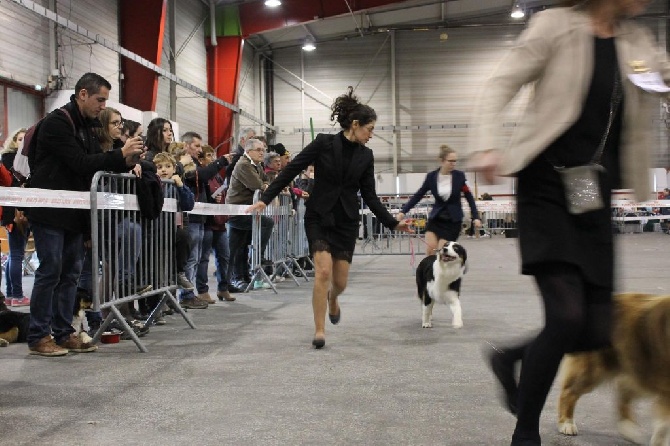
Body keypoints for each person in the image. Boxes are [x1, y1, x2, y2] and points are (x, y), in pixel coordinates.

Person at [467, 2, 670, 445]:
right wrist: (485, 144)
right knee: (565, 316)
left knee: (597, 329)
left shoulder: (639, 41)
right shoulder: (555, 25)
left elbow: (662, 83)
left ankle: (510, 357)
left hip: (592, 193)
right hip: (545, 184)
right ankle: (525, 431)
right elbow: (501, 83)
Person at [246, 87, 413, 349]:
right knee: (322, 271)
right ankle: (319, 330)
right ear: (355, 125)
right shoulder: (324, 143)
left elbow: (369, 195)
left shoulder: (366, 156)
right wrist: (265, 199)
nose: (371, 135)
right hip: (319, 215)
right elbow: (292, 168)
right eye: (369, 129)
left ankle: (333, 299)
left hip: (346, 220)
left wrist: (392, 222)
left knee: (340, 282)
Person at [24, 72, 144, 357]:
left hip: (74, 213)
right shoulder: (56, 123)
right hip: (50, 211)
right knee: (50, 271)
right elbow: (80, 163)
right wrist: (120, 155)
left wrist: (128, 161)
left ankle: (63, 333)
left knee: (71, 275)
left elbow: (93, 164)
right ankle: (39, 336)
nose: (103, 106)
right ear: (82, 94)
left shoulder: (88, 127)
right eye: (100, 99)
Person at [396, 145, 480, 255]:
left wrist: (476, 217)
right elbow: (419, 195)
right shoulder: (431, 177)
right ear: (441, 161)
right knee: (430, 251)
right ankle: (429, 272)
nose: (453, 164)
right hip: (436, 219)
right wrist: (403, 211)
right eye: (450, 161)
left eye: (455, 161)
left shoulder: (460, 176)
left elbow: (469, 197)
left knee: (442, 253)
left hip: (453, 221)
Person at [226, 138, 274, 292]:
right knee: (266, 223)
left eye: (263, 150)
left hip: (246, 210)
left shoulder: (256, 165)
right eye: (259, 150)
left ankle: (242, 277)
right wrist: (264, 185)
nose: (262, 153)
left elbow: (266, 181)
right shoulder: (243, 165)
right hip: (237, 211)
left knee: (241, 246)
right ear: (248, 151)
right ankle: (256, 258)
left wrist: (265, 184)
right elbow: (257, 185)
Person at [1, 128, 30, 307]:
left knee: (14, 254)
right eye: (20, 139)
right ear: (13, 141)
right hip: (14, 213)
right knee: (17, 254)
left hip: (15, 212)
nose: (22, 142)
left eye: (25, 139)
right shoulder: (10, 161)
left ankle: (12, 294)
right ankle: (17, 294)